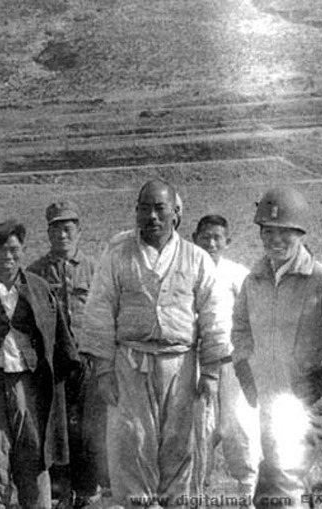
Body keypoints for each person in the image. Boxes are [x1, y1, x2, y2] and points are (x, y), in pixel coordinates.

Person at [79, 180, 231, 508]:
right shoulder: (118, 255)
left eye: (160, 208)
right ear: (136, 212)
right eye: (145, 209)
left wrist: (211, 373)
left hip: (182, 365)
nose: (152, 216)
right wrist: (103, 371)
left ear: (175, 213)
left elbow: (215, 316)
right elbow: (99, 311)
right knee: (133, 444)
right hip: (130, 365)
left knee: (181, 445)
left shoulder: (197, 258)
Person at [232, 187, 322, 509]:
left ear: (301, 234)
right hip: (272, 401)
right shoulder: (254, 281)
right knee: (277, 486)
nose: (275, 240)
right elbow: (240, 327)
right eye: (268, 231)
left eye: (285, 233)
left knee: (280, 484)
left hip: (310, 402)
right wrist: (244, 367)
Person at [0, 220, 80, 509]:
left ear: (23, 250)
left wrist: (60, 379)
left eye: (14, 250)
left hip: (29, 382)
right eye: (1, 250)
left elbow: (59, 338)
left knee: (34, 450)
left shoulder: (39, 288)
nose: (8, 256)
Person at [27, 201, 108, 509]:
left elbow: (104, 313)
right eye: (56, 229)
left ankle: (88, 490)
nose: (62, 235)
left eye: (67, 228)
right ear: (48, 233)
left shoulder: (95, 268)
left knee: (89, 428)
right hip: (55, 364)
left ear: (78, 231)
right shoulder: (35, 272)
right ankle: (62, 491)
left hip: (87, 359)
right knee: (58, 428)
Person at [191, 215, 260, 504]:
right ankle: (197, 493)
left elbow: (254, 316)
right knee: (200, 429)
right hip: (197, 362)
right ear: (194, 239)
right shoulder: (186, 271)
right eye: (205, 237)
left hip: (233, 362)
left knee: (240, 425)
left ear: (227, 241)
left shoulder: (237, 274)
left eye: (217, 237)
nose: (211, 243)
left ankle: (247, 494)